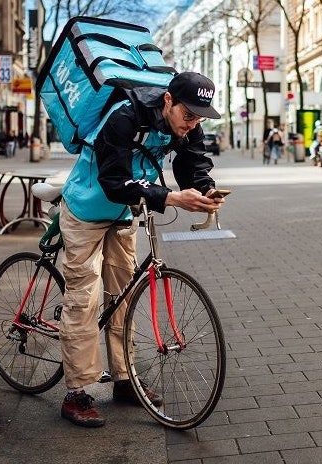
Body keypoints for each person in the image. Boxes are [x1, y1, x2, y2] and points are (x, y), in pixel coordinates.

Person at [58, 71, 225, 428]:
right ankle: (76, 392)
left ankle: (125, 379)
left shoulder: (186, 124)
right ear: (168, 100)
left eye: (199, 117)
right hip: (86, 209)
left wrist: (206, 188)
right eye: (188, 115)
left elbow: (192, 161)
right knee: (84, 297)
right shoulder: (123, 117)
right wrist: (169, 196)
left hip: (123, 213)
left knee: (124, 297)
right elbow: (114, 181)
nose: (193, 123)